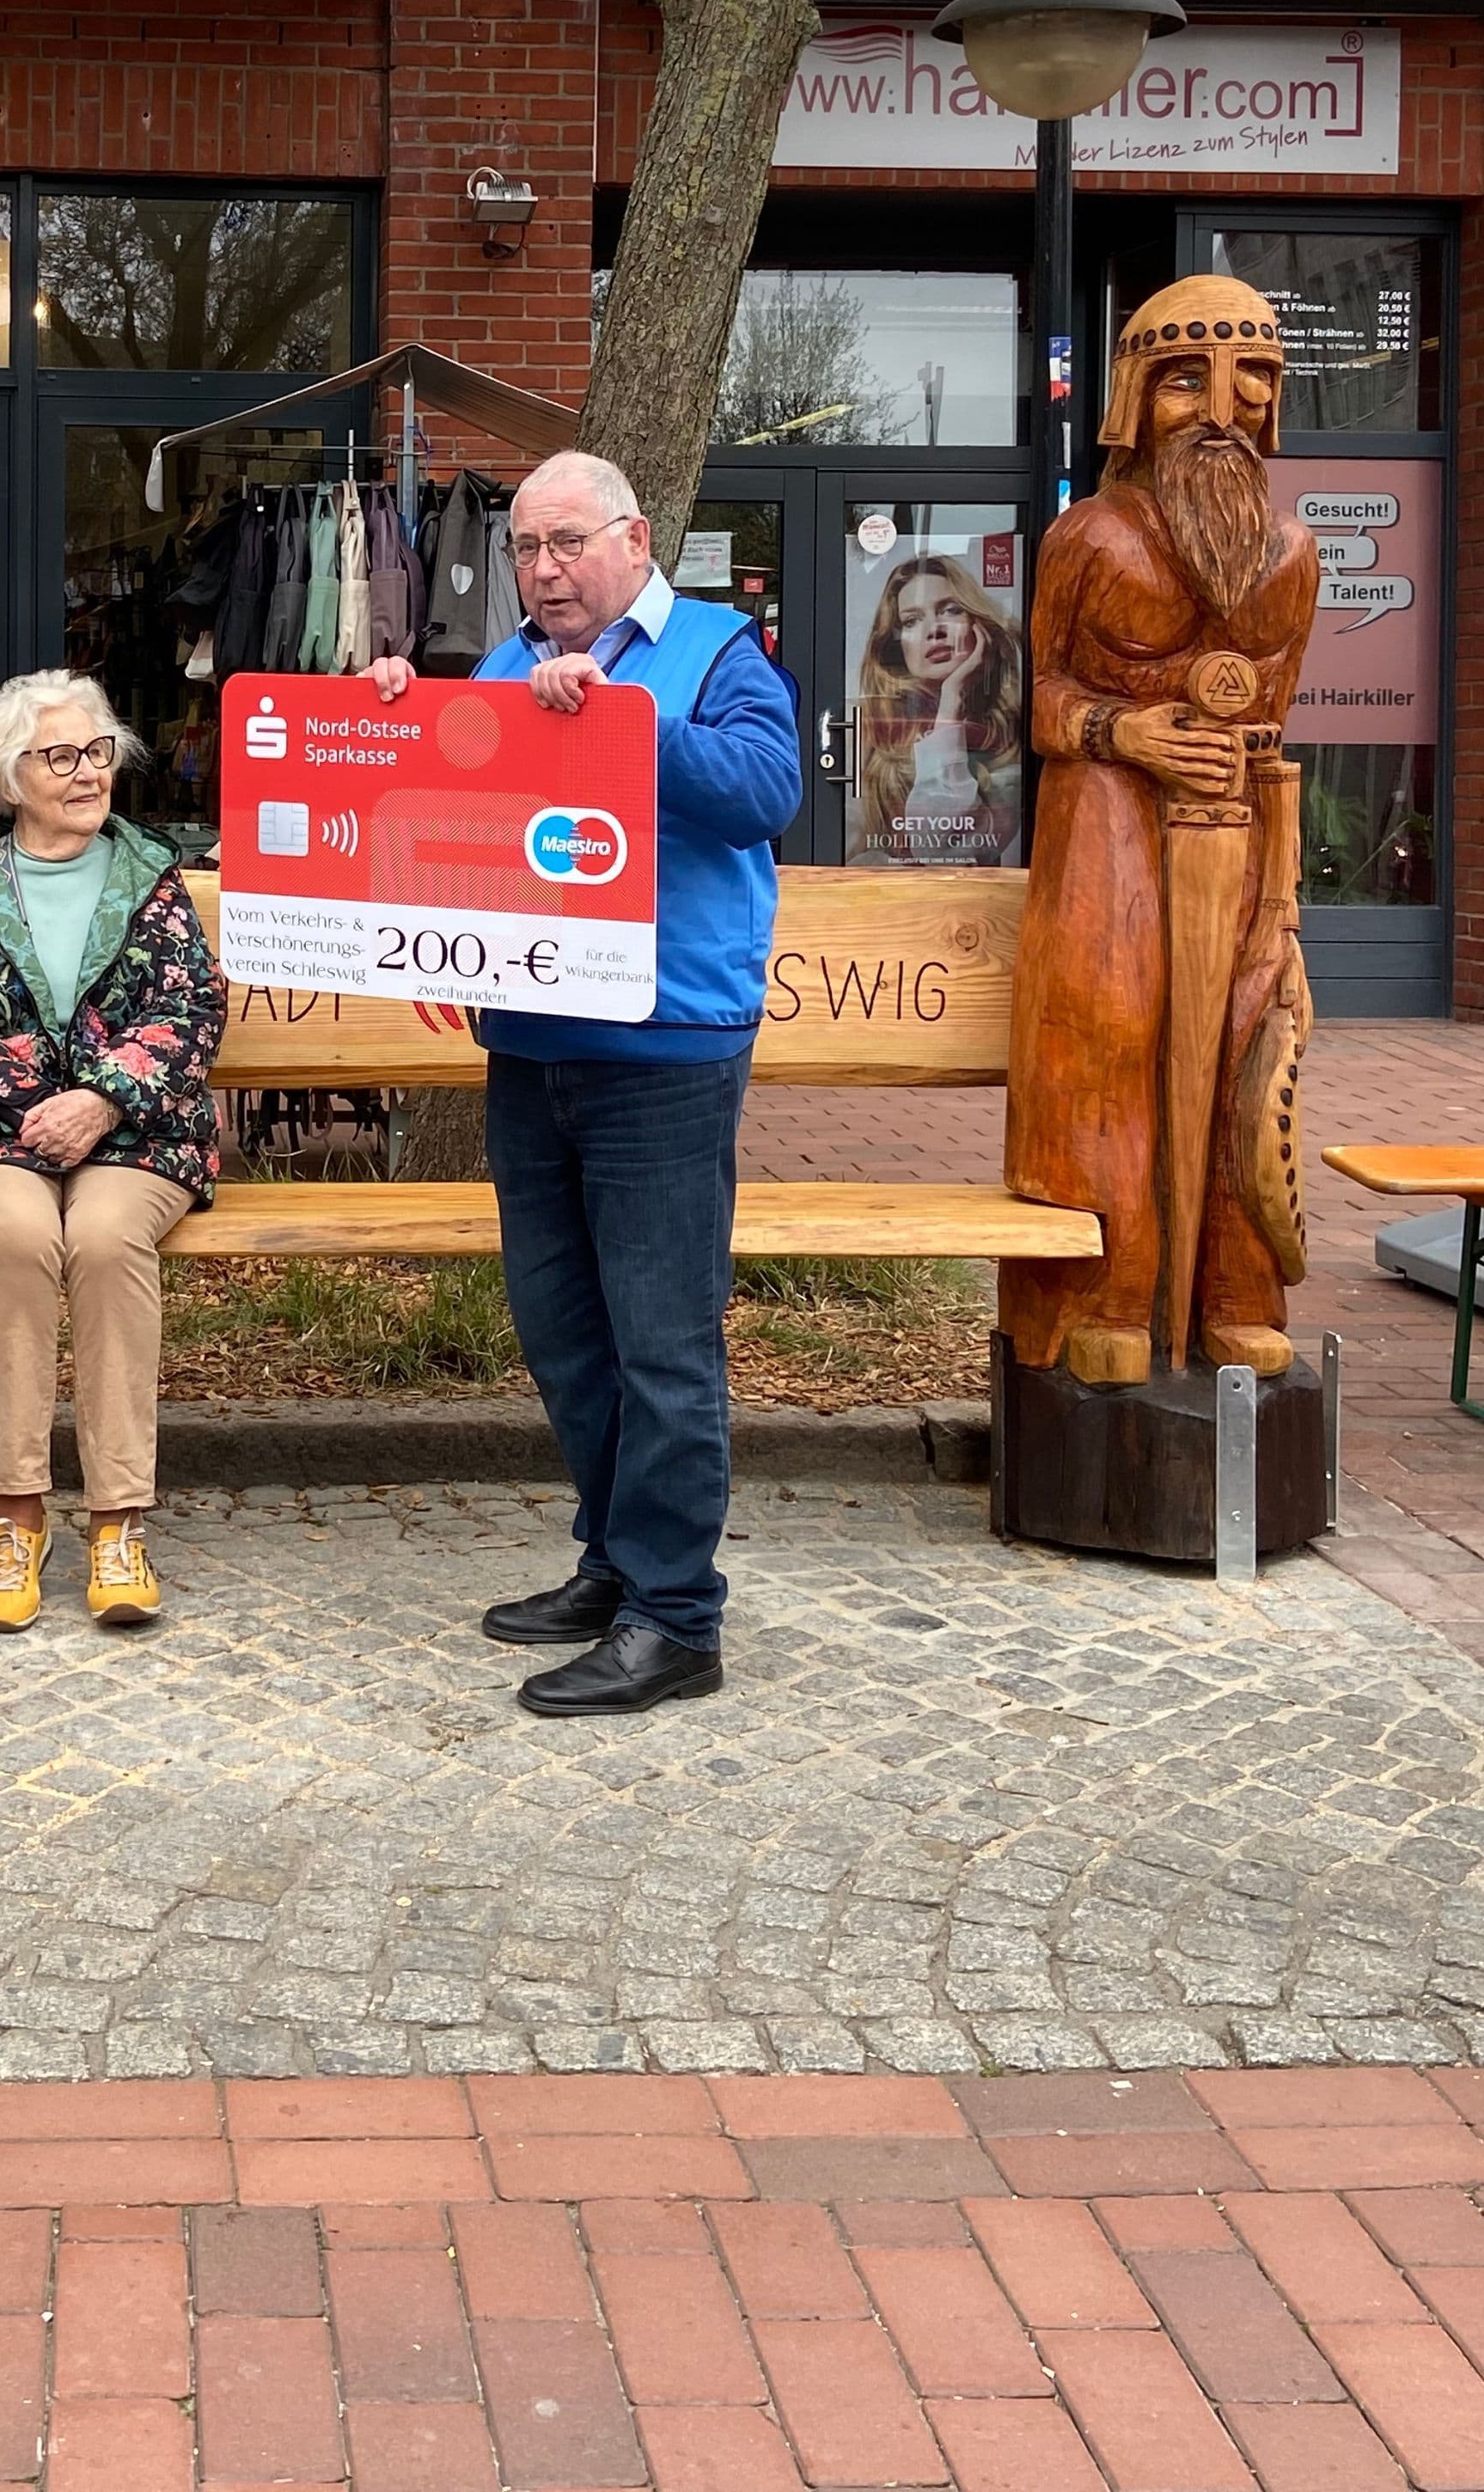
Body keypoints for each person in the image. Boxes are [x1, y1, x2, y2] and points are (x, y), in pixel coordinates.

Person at [371, 449, 801, 1718]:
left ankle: (676, 1617)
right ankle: (615, 1561)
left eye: (566, 545)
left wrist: (624, 723)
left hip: (666, 1050)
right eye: (525, 550)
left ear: (634, 538)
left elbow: (766, 794)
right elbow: (456, 800)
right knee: (565, 1332)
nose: (544, 573)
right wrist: (398, 709)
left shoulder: (720, 652)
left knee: (664, 1343)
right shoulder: (506, 663)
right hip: (535, 1043)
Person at [1004, 278, 1320, 1383]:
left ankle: (1230, 1290)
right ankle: (1108, 1289)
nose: (1224, 409)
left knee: (1245, 1044)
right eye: (1190, 380)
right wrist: (1129, 729)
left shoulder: (1290, 552)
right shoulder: (1089, 536)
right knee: (1108, 1040)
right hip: (1107, 818)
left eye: (1254, 380)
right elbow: (1039, 707)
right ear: (1137, 395)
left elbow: (1277, 736)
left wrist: (1282, 901)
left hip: (1237, 838)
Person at [0, 669, 228, 1633]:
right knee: (22, 1235)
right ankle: (16, 1516)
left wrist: (103, 1099)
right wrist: (39, 1106)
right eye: (60, 756)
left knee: (111, 1238)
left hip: (134, 1132)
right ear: (8, 775)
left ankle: (117, 1521)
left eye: (98, 751)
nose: (86, 773)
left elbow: (192, 1013)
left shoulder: (150, 875)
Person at [851, 553, 1023, 866]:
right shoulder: (871, 733)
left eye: (951, 610)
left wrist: (951, 702)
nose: (935, 630)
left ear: (979, 626)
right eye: (912, 621)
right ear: (896, 645)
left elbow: (946, 853)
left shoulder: (1008, 737)